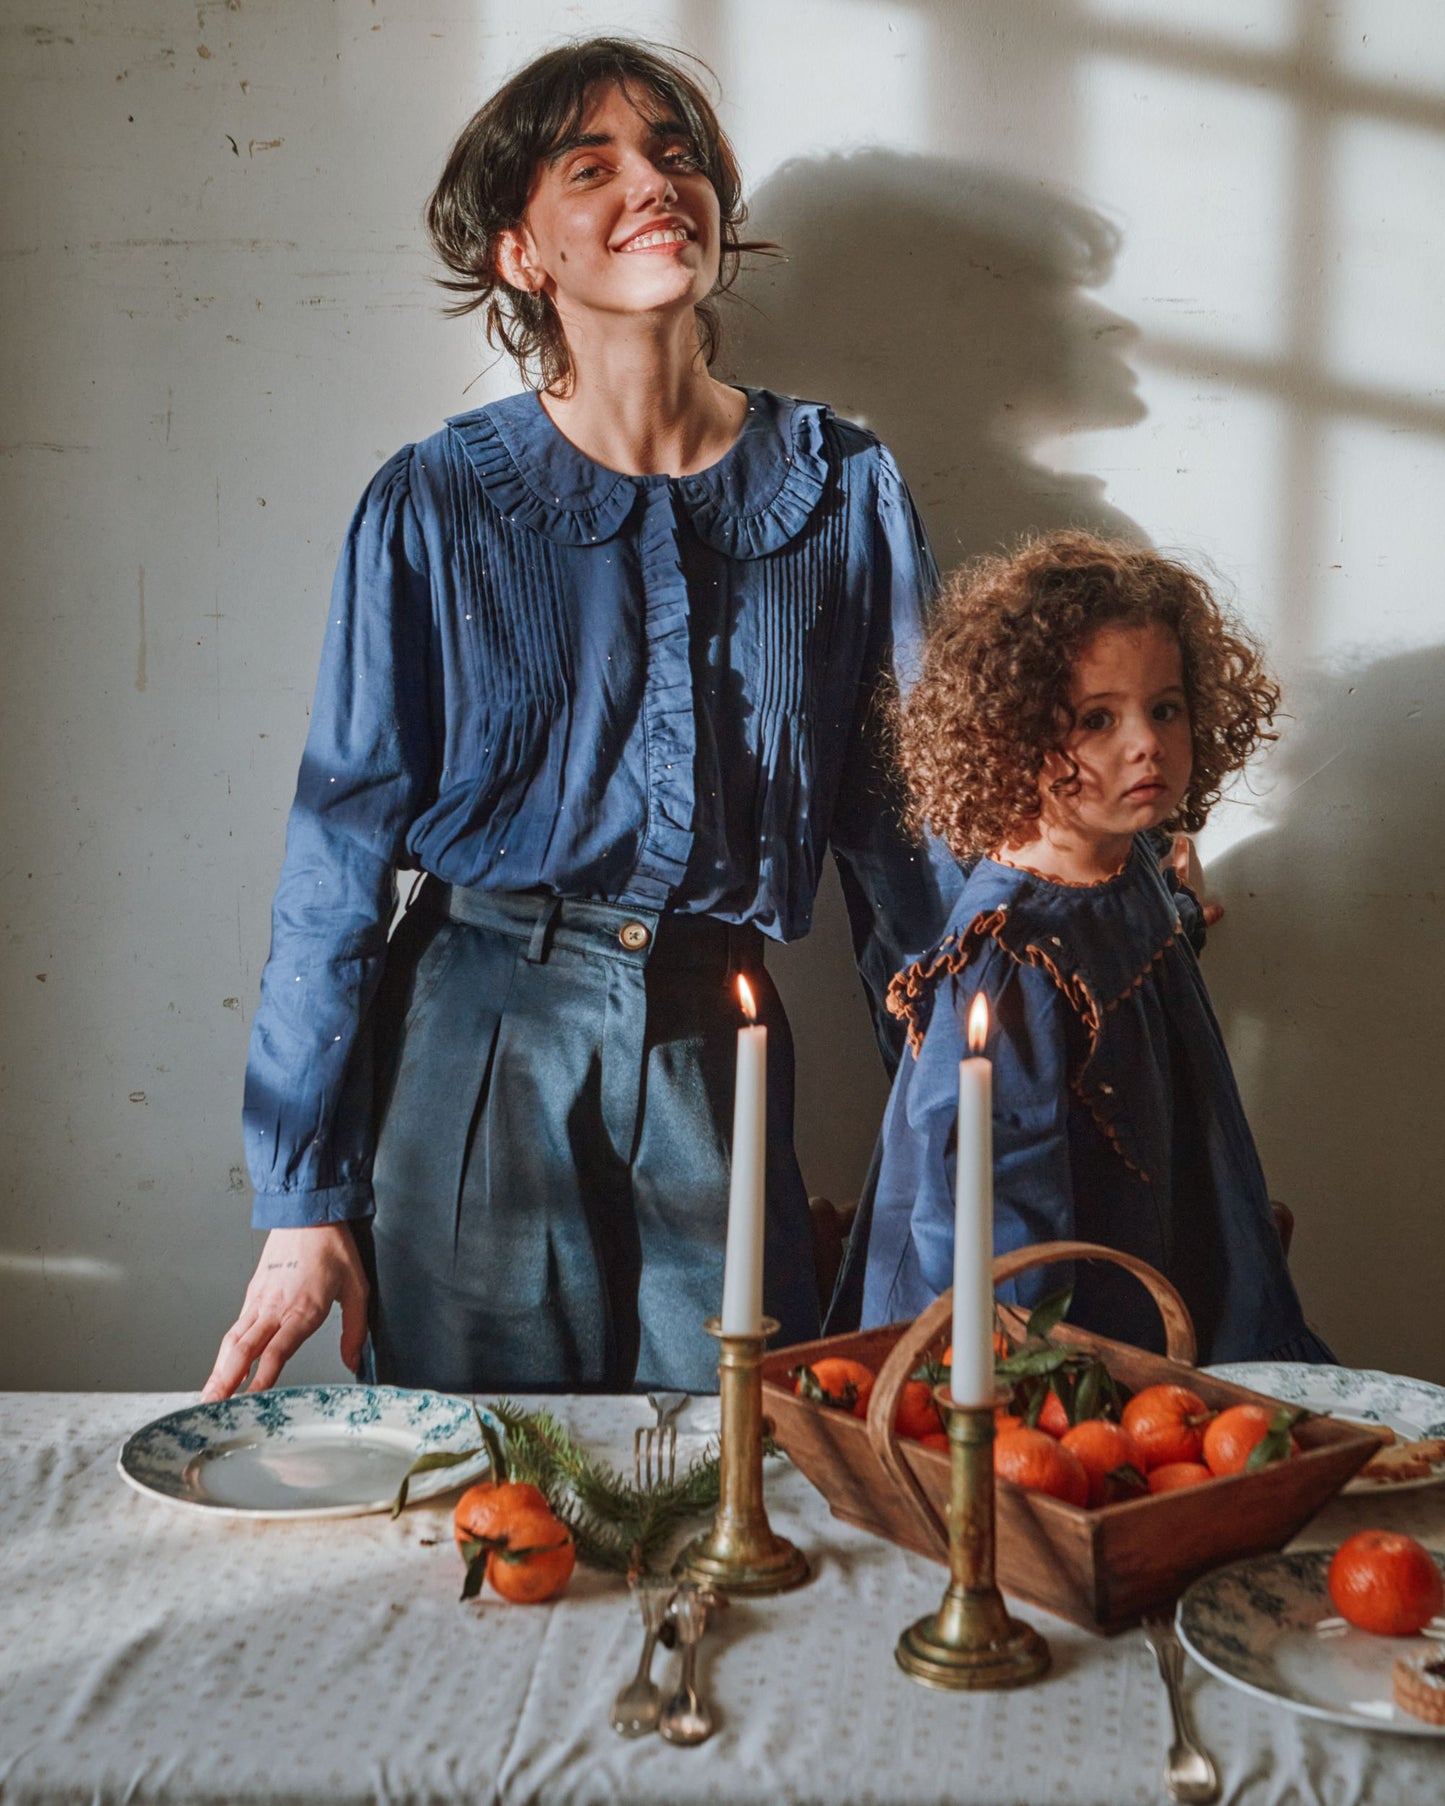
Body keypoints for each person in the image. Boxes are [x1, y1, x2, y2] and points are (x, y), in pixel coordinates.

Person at [202, 38, 957, 1402]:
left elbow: (915, 842)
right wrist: (302, 1198)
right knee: (494, 1488)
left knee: (737, 1488)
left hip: (720, 1047)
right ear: (519, 253)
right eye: (591, 165)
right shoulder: (429, 504)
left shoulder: (846, 491)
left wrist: (971, 1146)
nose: (655, 182)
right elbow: (336, 862)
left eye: (675, 154)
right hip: (474, 1046)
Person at [857, 530, 1333, 1364]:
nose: (1144, 743)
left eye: (1165, 707)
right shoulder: (1010, 956)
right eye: (1096, 719)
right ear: (1010, 736)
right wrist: (1035, 1378)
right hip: (1040, 1339)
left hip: (1168, 1258)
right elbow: (991, 1208)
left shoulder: (1128, 864)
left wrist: (1179, 910)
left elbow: (1124, 957)